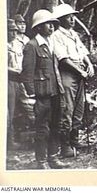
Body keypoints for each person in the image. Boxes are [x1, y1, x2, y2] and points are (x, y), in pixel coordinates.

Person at [21, 9, 68, 169]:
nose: (51, 27)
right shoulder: (32, 46)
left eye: (53, 24)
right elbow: (27, 74)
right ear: (38, 27)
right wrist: (32, 94)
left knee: (56, 125)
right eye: (47, 24)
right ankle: (41, 161)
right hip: (41, 95)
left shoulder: (51, 44)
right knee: (42, 129)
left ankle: (53, 158)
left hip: (55, 92)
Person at [51, 3, 94, 157]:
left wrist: (89, 65)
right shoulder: (56, 36)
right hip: (68, 73)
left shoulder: (73, 34)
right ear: (61, 19)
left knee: (79, 107)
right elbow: (63, 59)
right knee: (66, 109)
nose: (72, 20)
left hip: (79, 72)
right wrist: (80, 71)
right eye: (69, 17)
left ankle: (75, 139)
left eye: (73, 17)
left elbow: (82, 52)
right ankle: (65, 146)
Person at [13, 14, 35, 135]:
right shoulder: (12, 40)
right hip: (16, 75)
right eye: (19, 23)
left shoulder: (27, 40)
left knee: (29, 102)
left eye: (24, 23)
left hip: (28, 75)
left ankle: (29, 130)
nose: (22, 26)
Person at [7, 19, 22, 150]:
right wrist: (15, 71)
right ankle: (9, 142)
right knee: (9, 112)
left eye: (15, 31)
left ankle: (16, 138)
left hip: (19, 81)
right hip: (9, 80)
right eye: (10, 31)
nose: (13, 33)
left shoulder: (17, 44)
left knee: (19, 110)